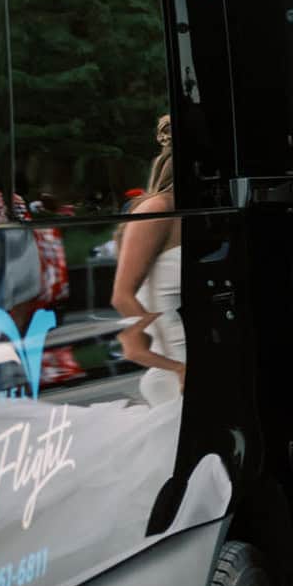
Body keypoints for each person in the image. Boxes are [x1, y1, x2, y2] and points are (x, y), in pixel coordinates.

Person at [111, 116, 185, 406]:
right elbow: (122, 296)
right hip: (176, 367)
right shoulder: (157, 209)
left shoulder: (194, 212)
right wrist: (175, 366)